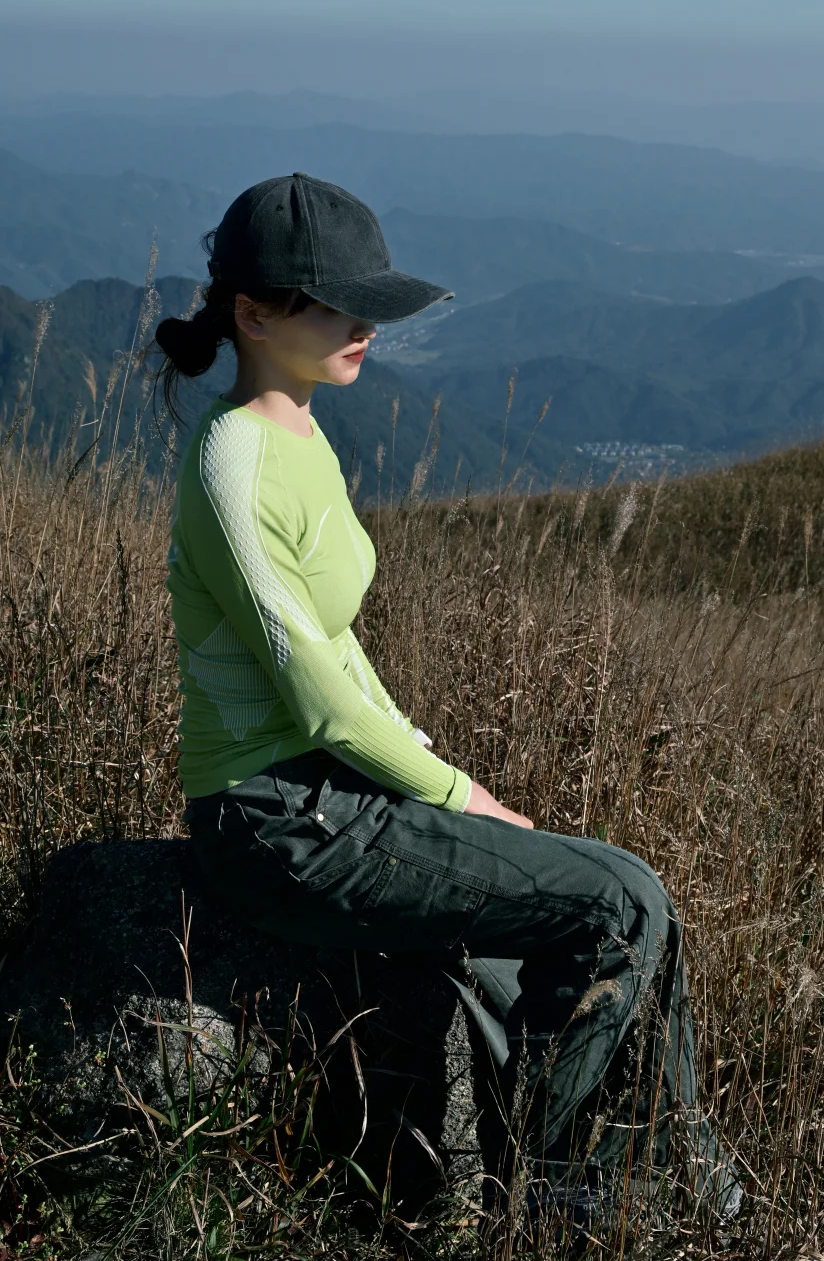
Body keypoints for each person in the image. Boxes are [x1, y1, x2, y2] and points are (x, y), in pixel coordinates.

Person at [156, 171, 741, 1232]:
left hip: (329, 796)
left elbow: (344, 653)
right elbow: (315, 689)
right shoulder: (232, 459)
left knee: (610, 912)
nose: (367, 326)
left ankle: (668, 1175)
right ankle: (556, 1195)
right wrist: (458, 796)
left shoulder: (302, 438)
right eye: (339, 304)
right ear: (253, 313)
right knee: (621, 901)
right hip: (275, 818)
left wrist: (437, 771)